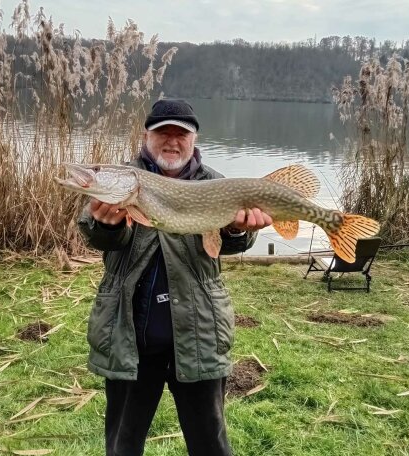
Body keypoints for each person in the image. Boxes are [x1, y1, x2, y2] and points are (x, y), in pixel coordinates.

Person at [78, 99, 273, 456]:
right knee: (122, 444)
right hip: (131, 337)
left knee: (210, 444)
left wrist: (238, 231)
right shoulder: (123, 181)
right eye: (162, 132)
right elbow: (99, 237)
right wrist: (105, 224)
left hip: (198, 333)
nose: (172, 141)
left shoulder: (217, 184)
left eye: (180, 134)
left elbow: (230, 244)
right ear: (146, 135)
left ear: (193, 138)